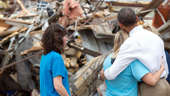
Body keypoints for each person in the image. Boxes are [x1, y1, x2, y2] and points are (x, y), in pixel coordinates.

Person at [100, 8, 170, 96]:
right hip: (165, 84)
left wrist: (103, 74)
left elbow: (112, 74)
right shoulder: (156, 37)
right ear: (137, 18)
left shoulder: (129, 43)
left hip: (151, 89)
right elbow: (164, 63)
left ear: (120, 25)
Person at [98, 31, 165, 96]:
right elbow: (152, 81)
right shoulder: (132, 62)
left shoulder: (107, 59)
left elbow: (103, 77)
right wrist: (162, 68)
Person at [40, 23, 71, 96]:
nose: (66, 39)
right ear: (58, 38)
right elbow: (58, 86)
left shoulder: (45, 56)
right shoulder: (56, 57)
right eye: (64, 36)